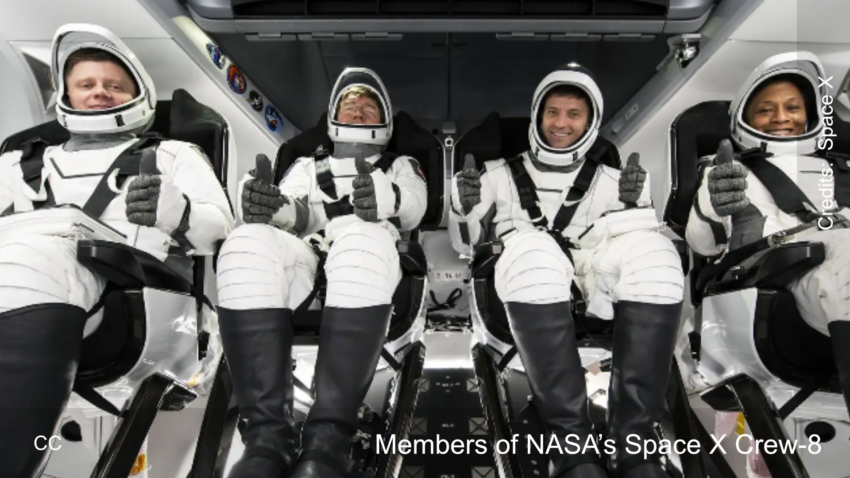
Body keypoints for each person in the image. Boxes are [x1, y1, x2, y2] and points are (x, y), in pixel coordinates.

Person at [0, 23, 234, 477]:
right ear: (65, 94)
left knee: (34, 260)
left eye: (114, 85)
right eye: (86, 84)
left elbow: (222, 233)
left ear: (137, 93)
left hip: (141, 301)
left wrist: (177, 212)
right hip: (30, 290)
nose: (100, 93)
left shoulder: (174, 155)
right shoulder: (15, 164)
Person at [450, 63, 685, 478]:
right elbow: (464, 245)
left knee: (657, 254)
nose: (561, 123)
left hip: (598, 278)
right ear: (538, 116)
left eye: (574, 114)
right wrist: (463, 209)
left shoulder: (619, 181)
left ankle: (634, 443)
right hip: (528, 276)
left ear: (591, 121)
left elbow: (634, 243)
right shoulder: (494, 176)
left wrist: (637, 211)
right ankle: (570, 445)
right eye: (553, 112)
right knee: (533, 247)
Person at [215, 67, 428, 478]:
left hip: (369, 251)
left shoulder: (401, 163)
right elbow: (294, 213)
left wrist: (385, 197)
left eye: (369, 107)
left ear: (384, 120)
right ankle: (266, 439)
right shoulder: (306, 165)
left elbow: (415, 205)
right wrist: (268, 205)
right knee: (245, 241)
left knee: (360, 241)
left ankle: (328, 441)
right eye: (352, 105)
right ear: (334, 116)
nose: (360, 112)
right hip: (310, 253)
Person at [685, 51, 850, 414]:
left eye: (792, 106)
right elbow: (703, 243)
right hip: (775, 285)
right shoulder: (726, 171)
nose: (781, 117)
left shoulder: (838, 170)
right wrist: (713, 204)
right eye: (765, 109)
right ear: (744, 118)